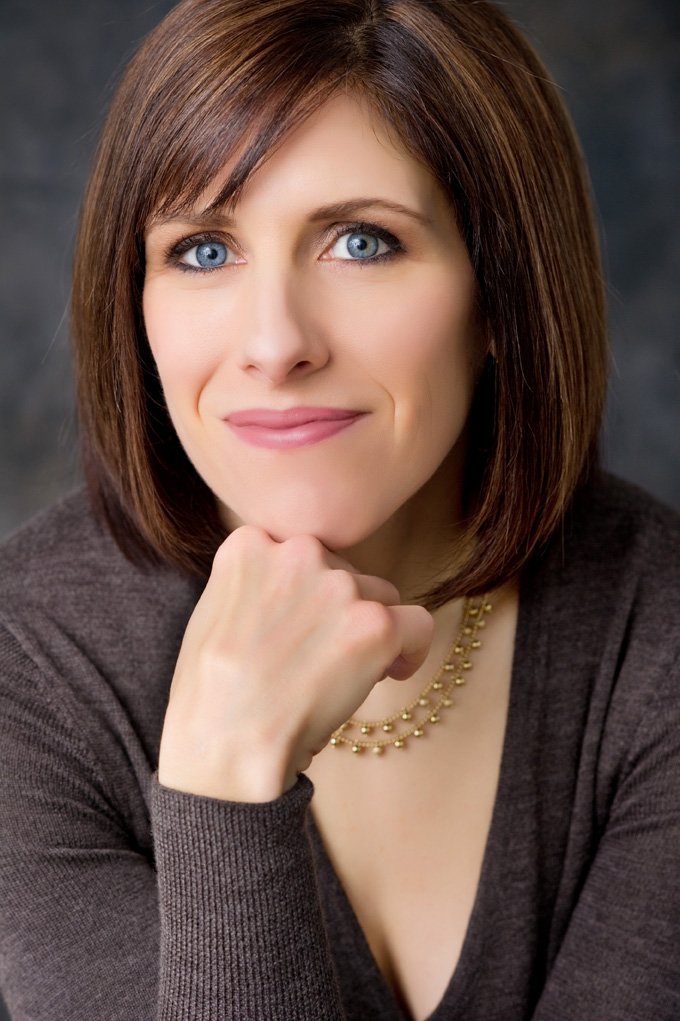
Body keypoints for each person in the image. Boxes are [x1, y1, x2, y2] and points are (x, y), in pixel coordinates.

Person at [1, 0, 679, 1018]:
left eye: (361, 242)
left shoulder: (655, 638)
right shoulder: (28, 666)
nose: (275, 344)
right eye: (202, 250)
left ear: (499, 293)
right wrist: (226, 784)